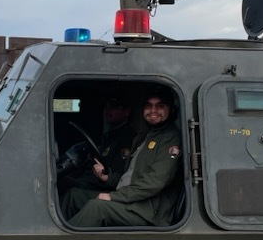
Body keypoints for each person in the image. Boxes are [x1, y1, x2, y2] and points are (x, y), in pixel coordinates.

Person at [63, 87, 183, 227]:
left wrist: (113, 196)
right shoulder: (142, 137)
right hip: (130, 202)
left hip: (147, 212)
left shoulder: (172, 138)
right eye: (148, 106)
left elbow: (155, 182)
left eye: (160, 106)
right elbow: (130, 177)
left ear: (171, 110)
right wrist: (108, 178)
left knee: (96, 207)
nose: (153, 110)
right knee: (73, 196)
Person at [58, 96, 135, 193]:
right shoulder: (108, 135)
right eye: (106, 107)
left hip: (100, 186)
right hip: (89, 179)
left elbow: (117, 173)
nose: (107, 110)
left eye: (113, 107)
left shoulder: (128, 138)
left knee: (59, 182)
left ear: (126, 112)